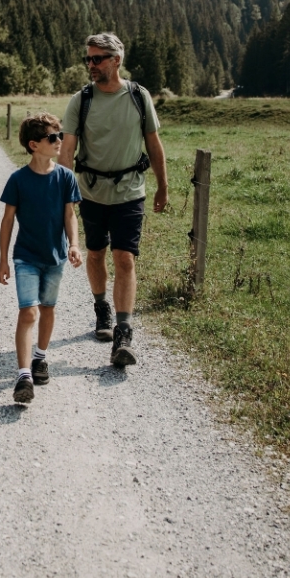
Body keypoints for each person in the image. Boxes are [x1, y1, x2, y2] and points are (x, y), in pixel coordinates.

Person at [59, 32, 168, 367]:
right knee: (95, 254)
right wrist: (64, 195)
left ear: (116, 60)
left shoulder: (138, 96)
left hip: (130, 191)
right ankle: (101, 307)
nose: (91, 65)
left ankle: (123, 331)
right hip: (91, 191)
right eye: (88, 59)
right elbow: (66, 150)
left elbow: (153, 143)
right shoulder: (82, 99)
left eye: (97, 59)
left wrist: (163, 186)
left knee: (125, 258)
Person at [0, 113, 83, 404]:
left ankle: (41, 357)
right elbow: (7, 220)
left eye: (60, 135)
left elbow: (69, 214)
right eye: (52, 137)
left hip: (56, 256)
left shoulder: (65, 177)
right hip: (26, 258)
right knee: (28, 312)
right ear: (34, 145)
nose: (59, 141)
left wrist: (74, 244)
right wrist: (3, 260)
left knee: (48, 308)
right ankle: (24, 376)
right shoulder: (18, 180)